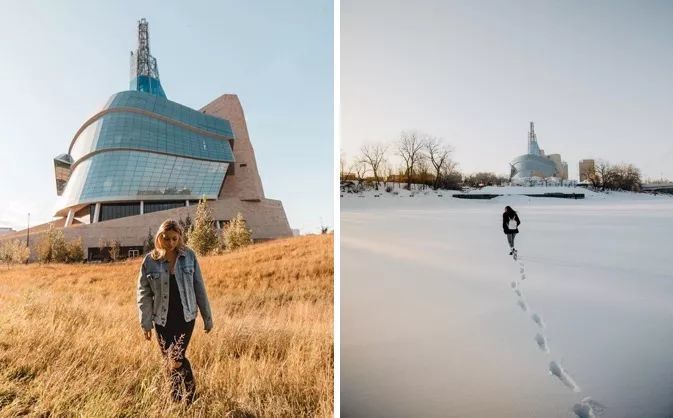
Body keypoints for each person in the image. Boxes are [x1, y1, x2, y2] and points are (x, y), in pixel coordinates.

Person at [137, 219, 213, 403]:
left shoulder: (189, 256)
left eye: (174, 239)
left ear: (179, 238)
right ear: (159, 238)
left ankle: (186, 397)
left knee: (176, 358)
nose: (170, 243)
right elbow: (143, 292)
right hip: (162, 319)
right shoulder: (150, 260)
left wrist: (207, 317)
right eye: (166, 239)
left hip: (185, 316)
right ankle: (179, 398)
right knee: (168, 360)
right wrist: (146, 323)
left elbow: (199, 286)